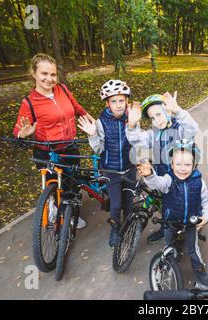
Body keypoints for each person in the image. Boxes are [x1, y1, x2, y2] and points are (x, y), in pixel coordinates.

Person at [13, 53, 93, 229]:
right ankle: (55, 210)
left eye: (53, 74)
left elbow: (78, 108)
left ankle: (70, 212)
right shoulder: (29, 102)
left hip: (70, 147)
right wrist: (23, 133)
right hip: (46, 152)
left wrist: (97, 125)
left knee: (72, 183)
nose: (49, 79)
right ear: (34, 73)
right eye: (44, 74)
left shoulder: (62, 89)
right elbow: (18, 129)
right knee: (54, 186)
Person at [137, 139, 208, 289]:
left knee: (193, 252)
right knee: (169, 243)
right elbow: (157, 183)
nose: (182, 169)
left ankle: (203, 281)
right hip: (170, 222)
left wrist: (206, 217)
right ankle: (170, 260)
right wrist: (150, 175)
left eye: (187, 165)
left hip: (190, 224)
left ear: (194, 165)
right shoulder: (168, 180)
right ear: (172, 165)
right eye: (178, 164)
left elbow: (207, 201)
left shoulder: (199, 183)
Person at [126, 92, 199, 243]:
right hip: (161, 177)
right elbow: (137, 140)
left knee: (183, 206)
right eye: (153, 118)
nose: (156, 120)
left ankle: (188, 229)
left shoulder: (180, 129)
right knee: (165, 205)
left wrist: (178, 111)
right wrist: (132, 126)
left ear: (168, 111)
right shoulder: (154, 133)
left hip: (181, 177)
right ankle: (166, 228)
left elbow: (192, 128)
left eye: (158, 114)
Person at [77, 79, 137, 248]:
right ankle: (115, 228)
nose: (118, 105)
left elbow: (137, 142)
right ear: (107, 103)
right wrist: (93, 134)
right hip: (111, 172)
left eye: (121, 101)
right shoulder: (100, 123)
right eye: (113, 101)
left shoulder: (131, 119)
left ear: (126, 101)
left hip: (129, 169)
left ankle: (130, 225)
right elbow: (98, 149)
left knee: (129, 203)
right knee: (116, 205)